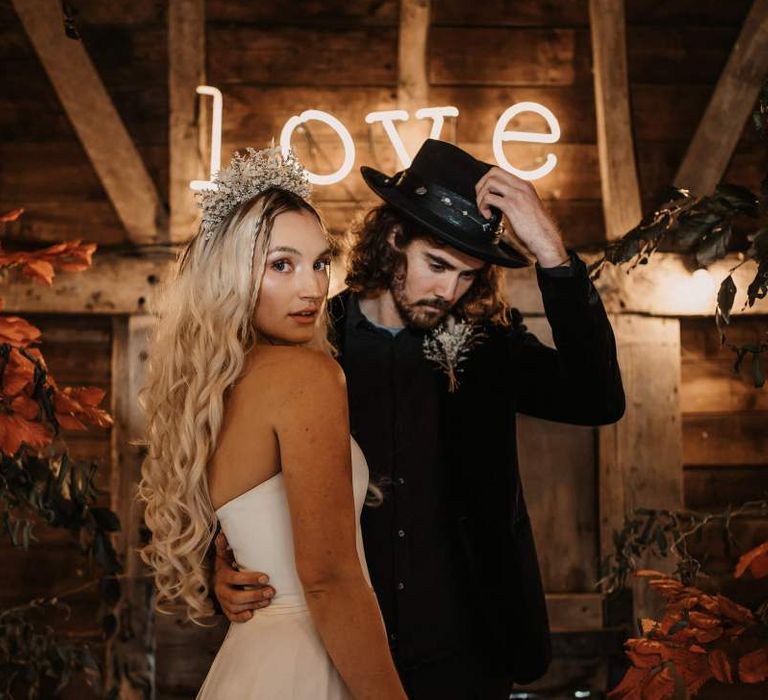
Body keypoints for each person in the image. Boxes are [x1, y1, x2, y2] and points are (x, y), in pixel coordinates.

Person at [214, 139, 626, 698]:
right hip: (342, 652)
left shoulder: (488, 346)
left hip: (471, 654)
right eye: (437, 265)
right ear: (393, 239)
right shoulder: (308, 345)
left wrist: (551, 250)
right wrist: (218, 570)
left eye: (466, 275)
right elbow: (240, 478)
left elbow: (598, 399)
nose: (448, 291)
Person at [138, 148, 407, 699]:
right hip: (307, 659)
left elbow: (252, 533)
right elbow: (328, 581)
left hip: (252, 662)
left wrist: (225, 567)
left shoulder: (214, 386)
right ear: (233, 273)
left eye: (320, 262)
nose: (311, 288)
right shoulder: (308, 375)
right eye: (281, 264)